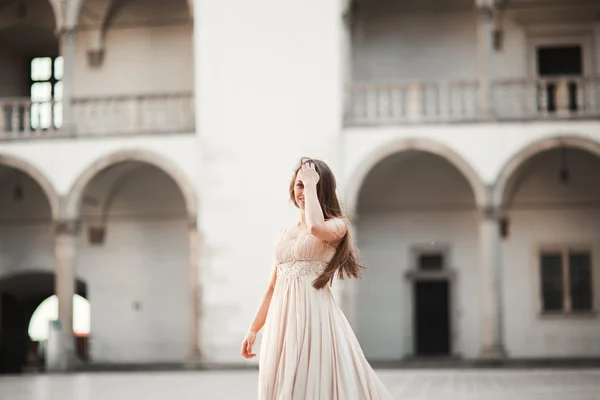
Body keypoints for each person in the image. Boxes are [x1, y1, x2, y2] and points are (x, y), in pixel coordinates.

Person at [241, 157, 393, 399]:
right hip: (282, 319)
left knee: (310, 382)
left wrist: (311, 185)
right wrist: (253, 329)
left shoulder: (338, 226)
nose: (303, 191)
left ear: (323, 190)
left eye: (311, 185)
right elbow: (271, 287)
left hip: (314, 317)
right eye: (299, 184)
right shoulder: (283, 233)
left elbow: (314, 227)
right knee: (282, 384)